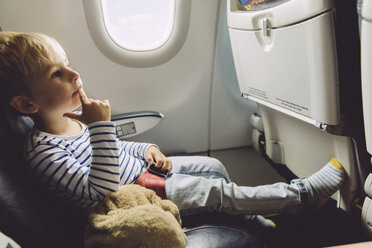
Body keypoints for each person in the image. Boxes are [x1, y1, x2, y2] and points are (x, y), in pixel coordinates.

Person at [0, 32, 346, 219]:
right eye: (56, 74)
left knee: (213, 165)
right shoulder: (42, 153)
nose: (75, 75)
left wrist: (145, 149)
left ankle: (247, 214)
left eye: (68, 65)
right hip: (132, 199)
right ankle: (303, 196)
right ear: (27, 104)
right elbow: (100, 192)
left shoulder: (74, 124)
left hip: (143, 174)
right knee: (220, 193)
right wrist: (100, 128)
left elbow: (117, 152)